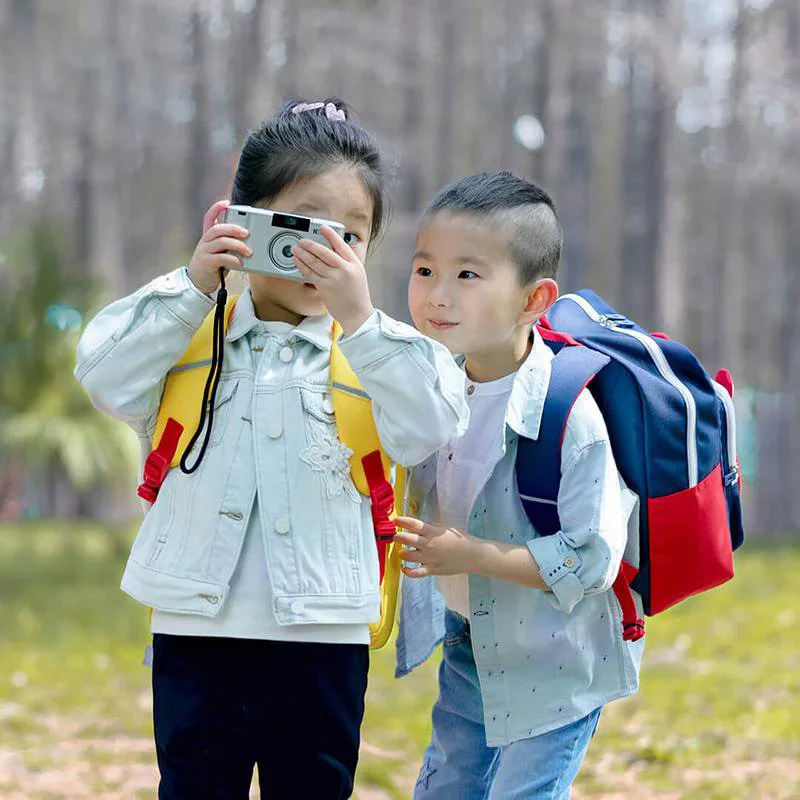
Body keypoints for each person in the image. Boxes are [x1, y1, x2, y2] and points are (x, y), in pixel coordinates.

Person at [74, 98, 468, 800]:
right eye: (305, 227)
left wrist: (364, 323)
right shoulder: (188, 327)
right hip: (196, 633)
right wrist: (194, 284)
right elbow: (106, 378)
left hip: (324, 638)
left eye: (350, 236)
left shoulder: (380, 350)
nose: (324, 253)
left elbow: (429, 427)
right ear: (239, 220)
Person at [394, 171, 643, 800]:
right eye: (425, 271)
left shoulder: (571, 417)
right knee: (447, 788)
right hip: (470, 641)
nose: (437, 296)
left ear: (535, 300)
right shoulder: (435, 387)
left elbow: (591, 559)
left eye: (467, 275)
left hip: (558, 661)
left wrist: (469, 554)